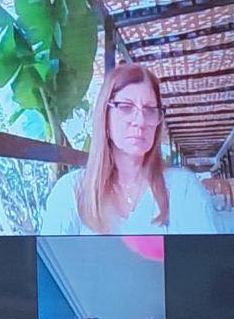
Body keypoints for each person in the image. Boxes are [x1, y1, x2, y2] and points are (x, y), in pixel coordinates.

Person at [40, 64, 219, 235]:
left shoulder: (183, 188)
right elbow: (48, 256)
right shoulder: (70, 191)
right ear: (105, 116)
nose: (140, 121)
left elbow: (206, 254)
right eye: (126, 107)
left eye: (150, 110)